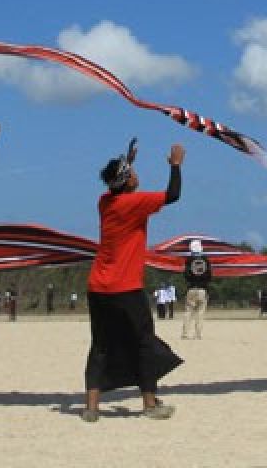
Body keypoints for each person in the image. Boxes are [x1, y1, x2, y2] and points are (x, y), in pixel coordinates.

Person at [82, 139, 184, 423]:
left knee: (100, 344)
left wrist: (129, 159)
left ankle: (91, 407)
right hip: (126, 287)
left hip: (98, 287)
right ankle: (150, 403)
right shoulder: (135, 203)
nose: (137, 176)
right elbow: (173, 195)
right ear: (127, 182)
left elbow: (118, 185)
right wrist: (175, 165)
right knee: (143, 343)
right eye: (133, 173)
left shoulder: (105, 202)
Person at [181, 240, 211, 340]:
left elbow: (186, 275)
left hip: (191, 288)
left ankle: (185, 334)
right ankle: (198, 334)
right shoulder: (206, 260)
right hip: (202, 289)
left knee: (188, 311)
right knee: (200, 312)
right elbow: (209, 275)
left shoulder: (189, 260)